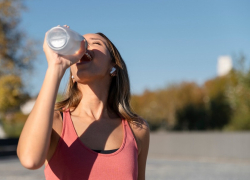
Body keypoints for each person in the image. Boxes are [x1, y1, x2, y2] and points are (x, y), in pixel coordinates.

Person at [17, 25, 150, 180]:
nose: (84, 47)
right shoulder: (55, 122)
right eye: (81, 42)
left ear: (113, 65)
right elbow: (30, 160)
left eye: (95, 43)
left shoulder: (137, 128)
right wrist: (56, 67)